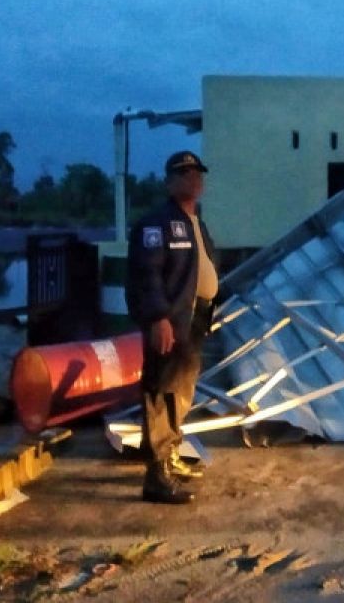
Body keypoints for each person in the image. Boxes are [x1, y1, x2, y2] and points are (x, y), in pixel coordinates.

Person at [126, 150, 220, 504]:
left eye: (197, 174)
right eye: (184, 174)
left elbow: (203, 267)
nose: (193, 179)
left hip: (194, 320)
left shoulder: (196, 220)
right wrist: (157, 318)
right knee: (160, 393)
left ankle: (171, 455)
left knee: (180, 392)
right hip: (170, 322)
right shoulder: (156, 224)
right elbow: (146, 275)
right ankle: (156, 476)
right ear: (169, 181)